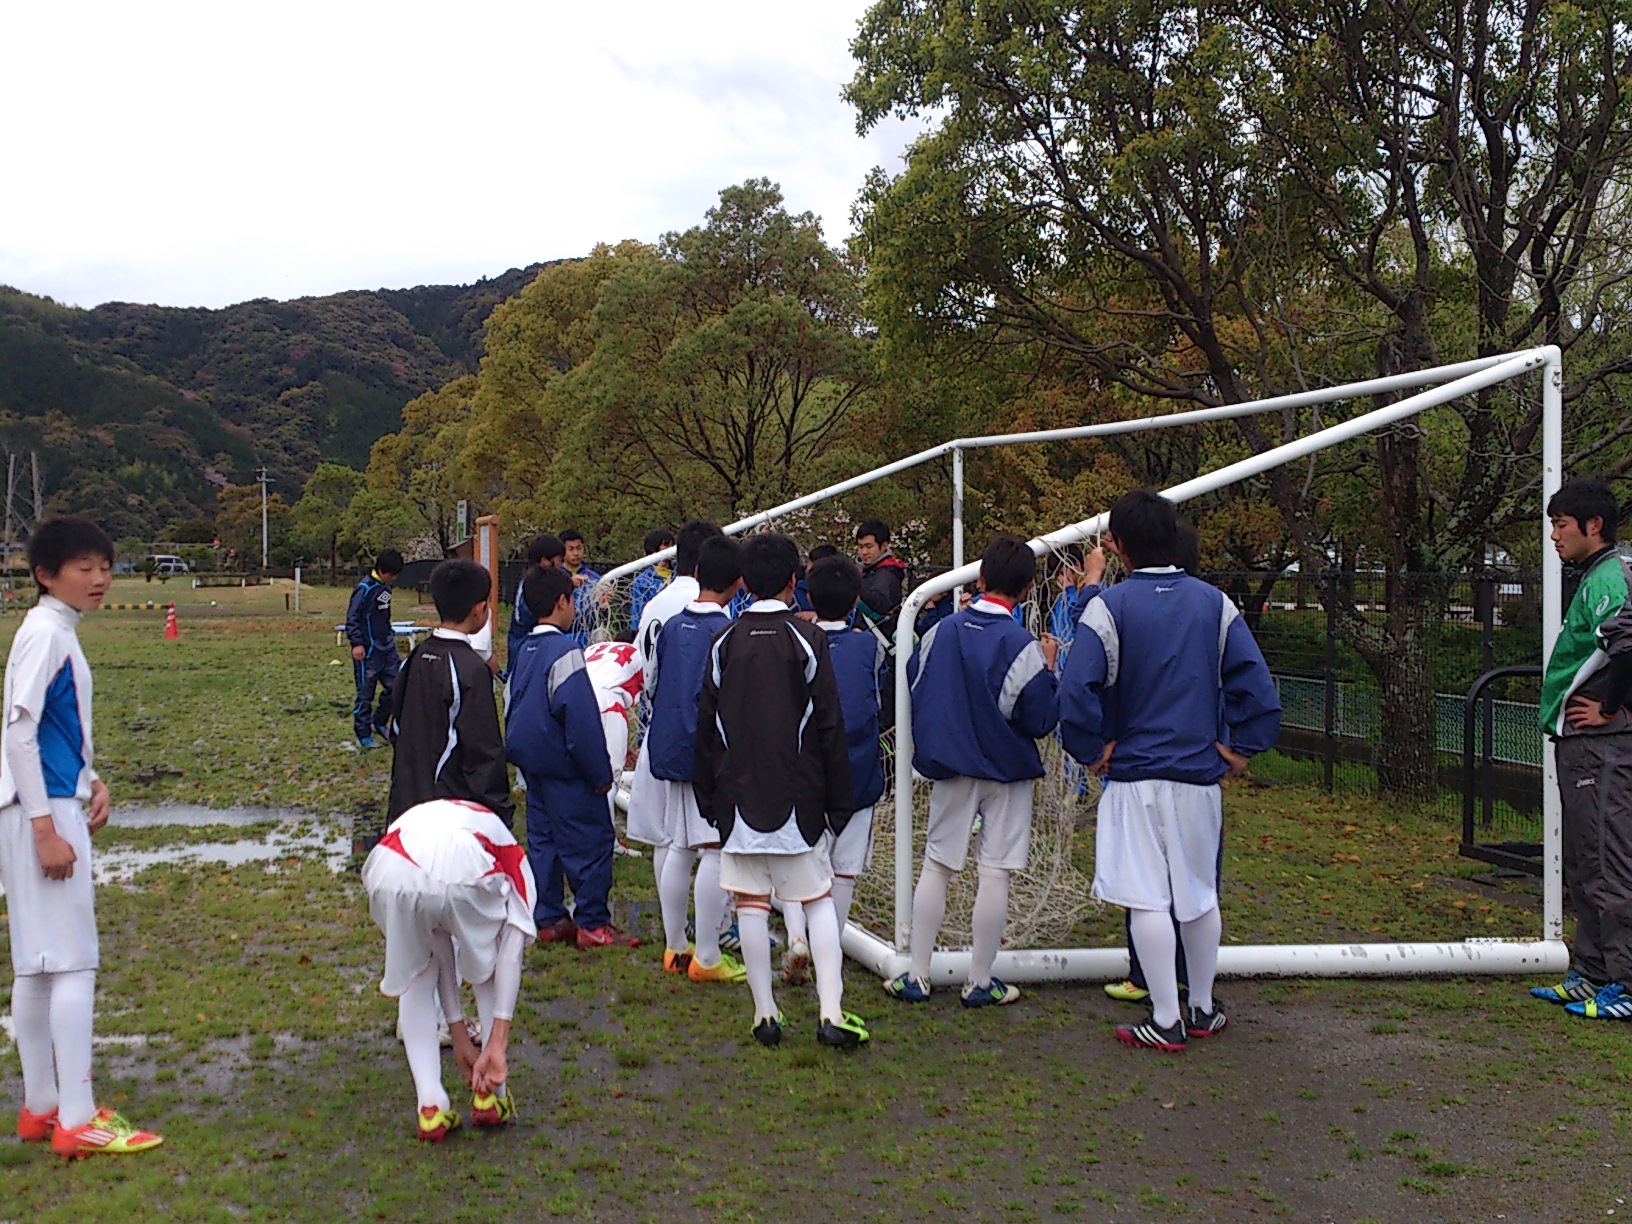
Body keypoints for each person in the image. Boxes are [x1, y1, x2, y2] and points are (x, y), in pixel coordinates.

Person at [1057, 490, 1280, 1051]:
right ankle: (1201, 1007)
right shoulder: (1215, 603)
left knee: (1148, 898)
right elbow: (1259, 687)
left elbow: (1075, 691)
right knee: (1199, 894)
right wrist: (1243, 747)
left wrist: (1090, 749)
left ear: (1120, 545)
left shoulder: (1109, 607)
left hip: (1134, 776)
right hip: (1197, 778)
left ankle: (1164, 1017)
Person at [1, 517, 164, 1158]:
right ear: (46, 575)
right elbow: (17, 732)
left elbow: (49, 731)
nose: (98, 579)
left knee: (39, 964)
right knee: (71, 962)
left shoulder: (53, 631)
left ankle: (42, 1108)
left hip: (36, 802)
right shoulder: (46, 633)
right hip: (36, 811)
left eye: (105, 565)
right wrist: (46, 827)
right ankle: (75, 1118)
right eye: (84, 567)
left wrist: (90, 779)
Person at [694, 533, 868, 1047]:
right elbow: (830, 728)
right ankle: (831, 1013)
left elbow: (706, 728)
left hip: (740, 799)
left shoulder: (723, 642)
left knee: (750, 902)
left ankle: (765, 1013)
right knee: (816, 901)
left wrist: (711, 799)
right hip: (798, 800)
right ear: (795, 582)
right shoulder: (807, 641)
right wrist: (839, 801)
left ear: (745, 581)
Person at [885, 535, 1060, 1009]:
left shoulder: (943, 630)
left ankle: (917, 975)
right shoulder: (1022, 644)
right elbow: (1040, 719)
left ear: (980, 578)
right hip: (1007, 772)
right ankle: (979, 980)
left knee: (938, 865)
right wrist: (1047, 670)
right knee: (996, 872)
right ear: (1026, 589)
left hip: (952, 765)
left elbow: (914, 682)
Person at [362, 797, 536, 1141]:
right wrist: (496, 1042)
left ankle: (431, 1106)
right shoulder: (516, 862)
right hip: (463, 867)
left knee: (418, 970)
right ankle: (490, 1094)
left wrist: (458, 1031)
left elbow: (439, 945)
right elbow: (509, 957)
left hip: (389, 868)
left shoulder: (455, 822)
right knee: (488, 960)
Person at [1529, 479, 1632, 1020]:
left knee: (1610, 862)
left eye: (1561, 525)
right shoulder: (1595, 576)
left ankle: (1625, 982)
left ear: (1594, 526)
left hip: (1605, 746)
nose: (1553, 536)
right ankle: (1590, 973)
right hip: (1581, 744)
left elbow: (1629, 647)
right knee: (1586, 861)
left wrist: (1612, 709)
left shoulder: (1613, 576)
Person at [506, 566, 634, 949]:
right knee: (591, 842)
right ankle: (593, 922)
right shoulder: (565, 650)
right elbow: (579, 716)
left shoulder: (522, 650)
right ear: (562, 602)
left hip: (533, 766)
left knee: (543, 843)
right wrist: (599, 772)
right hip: (566, 767)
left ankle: (550, 917)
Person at [780, 555, 893, 983]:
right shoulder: (870, 646)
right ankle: (832, 949)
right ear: (854, 601)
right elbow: (879, 702)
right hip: (856, 768)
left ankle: (797, 938)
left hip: (802, 768)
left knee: (797, 859)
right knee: (843, 870)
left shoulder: (793, 641)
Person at [647, 537, 743, 981]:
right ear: (740, 583)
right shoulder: (726, 633)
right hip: (708, 753)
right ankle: (707, 956)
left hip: (667, 745)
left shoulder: (672, 627)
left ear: (697, 574)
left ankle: (674, 947)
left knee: (678, 846)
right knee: (716, 849)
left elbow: (653, 681)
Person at [627, 520, 725, 892]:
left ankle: (676, 932)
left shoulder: (656, 602)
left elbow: (645, 671)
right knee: (707, 843)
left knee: (667, 839)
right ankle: (714, 932)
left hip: (658, 731)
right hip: (696, 741)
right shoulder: (706, 608)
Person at [386, 560, 513, 825]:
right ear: (480, 609)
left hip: (406, 804)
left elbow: (395, 725)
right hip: (450, 815)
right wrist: (499, 815)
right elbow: (484, 753)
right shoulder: (471, 669)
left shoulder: (415, 656)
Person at [347, 548, 404, 749]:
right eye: (392, 574)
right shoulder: (364, 588)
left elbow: (383, 617)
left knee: (396, 688)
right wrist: (357, 643)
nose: (394, 578)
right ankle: (363, 733)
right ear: (381, 570)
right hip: (368, 652)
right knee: (365, 694)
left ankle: (380, 722)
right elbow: (352, 618)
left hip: (387, 649)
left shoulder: (386, 588)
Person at [506, 534, 565, 666]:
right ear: (544, 561)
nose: (561, 565)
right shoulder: (530, 585)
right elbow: (526, 616)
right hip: (524, 654)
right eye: (559, 560)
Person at [559, 528, 610, 646]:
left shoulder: (594, 577)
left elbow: (601, 615)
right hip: (564, 637)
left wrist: (604, 606)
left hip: (588, 638)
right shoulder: (556, 576)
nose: (576, 553)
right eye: (571, 549)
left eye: (579, 548)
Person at [854, 519, 908, 629]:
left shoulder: (887, 573)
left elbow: (880, 604)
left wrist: (853, 583)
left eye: (869, 546)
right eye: (860, 547)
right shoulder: (869, 570)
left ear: (884, 545)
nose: (864, 552)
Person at [628, 528, 676, 630]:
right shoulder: (642, 581)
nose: (671, 548)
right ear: (654, 548)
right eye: (666, 545)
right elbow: (637, 614)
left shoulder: (680, 574)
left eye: (672, 545)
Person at [793, 543, 840, 616]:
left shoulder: (841, 592)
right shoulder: (796, 592)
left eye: (813, 564)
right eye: (809, 563)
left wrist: (816, 616)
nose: (808, 568)